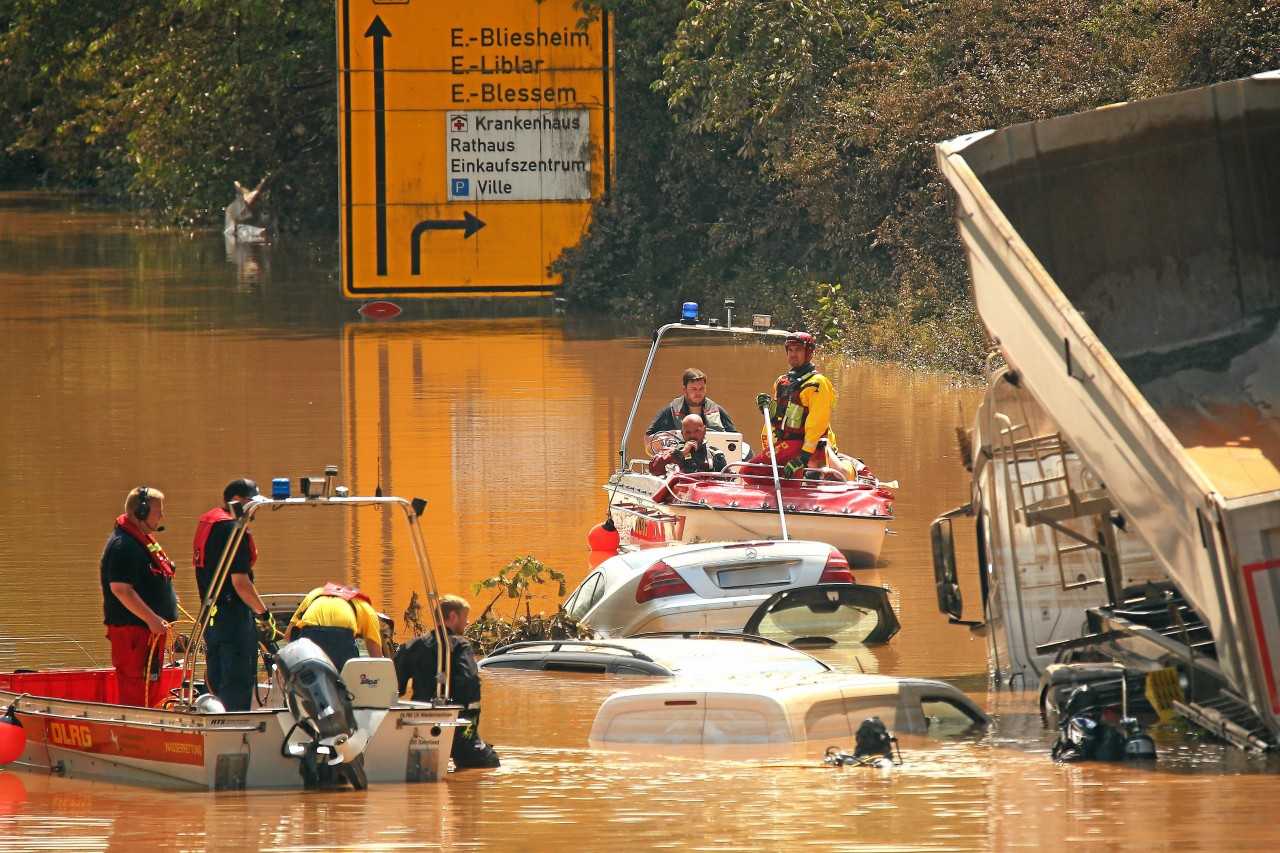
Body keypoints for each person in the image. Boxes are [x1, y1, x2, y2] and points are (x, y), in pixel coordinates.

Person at [193, 478, 280, 711]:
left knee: (218, 678)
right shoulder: (234, 530)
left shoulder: (209, 525)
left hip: (211, 615)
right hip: (233, 619)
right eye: (251, 504)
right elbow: (240, 583)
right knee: (238, 680)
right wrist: (263, 614)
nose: (254, 511)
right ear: (236, 502)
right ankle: (234, 730)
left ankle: (214, 726)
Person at [394, 595, 500, 769]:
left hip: (419, 724)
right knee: (489, 765)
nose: (467, 623)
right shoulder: (460, 646)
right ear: (453, 616)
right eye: (465, 617)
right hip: (456, 724)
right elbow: (469, 680)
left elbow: (395, 686)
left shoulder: (411, 646)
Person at [100, 486, 178, 707]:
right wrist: (152, 618)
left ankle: (151, 733)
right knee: (136, 693)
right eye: (157, 511)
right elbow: (120, 589)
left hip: (148, 634)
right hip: (134, 635)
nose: (161, 515)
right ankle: (134, 738)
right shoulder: (124, 545)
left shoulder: (140, 542)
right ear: (140, 512)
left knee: (150, 691)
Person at [748, 331, 849, 478]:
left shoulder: (817, 384)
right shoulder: (782, 381)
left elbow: (816, 424)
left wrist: (803, 458)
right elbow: (780, 419)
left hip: (808, 447)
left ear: (808, 353)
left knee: (749, 471)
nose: (793, 354)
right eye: (790, 350)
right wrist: (766, 408)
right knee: (750, 471)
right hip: (785, 444)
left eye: (798, 350)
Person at [283, 582, 383, 672]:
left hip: (309, 637)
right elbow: (377, 658)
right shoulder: (365, 607)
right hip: (342, 640)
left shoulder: (316, 593)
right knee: (346, 685)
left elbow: (288, 635)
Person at [645, 368, 736, 436]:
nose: (698, 393)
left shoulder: (717, 410)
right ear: (684, 389)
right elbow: (648, 438)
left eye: (701, 389)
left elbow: (736, 439)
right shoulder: (670, 410)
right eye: (694, 389)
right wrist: (670, 436)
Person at [648, 413, 728, 476]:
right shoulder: (672, 452)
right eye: (688, 432)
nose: (692, 435)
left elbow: (728, 481)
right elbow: (654, 469)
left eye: (696, 431)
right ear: (682, 433)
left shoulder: (714, 455)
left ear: (704, 430)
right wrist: (681, 453)